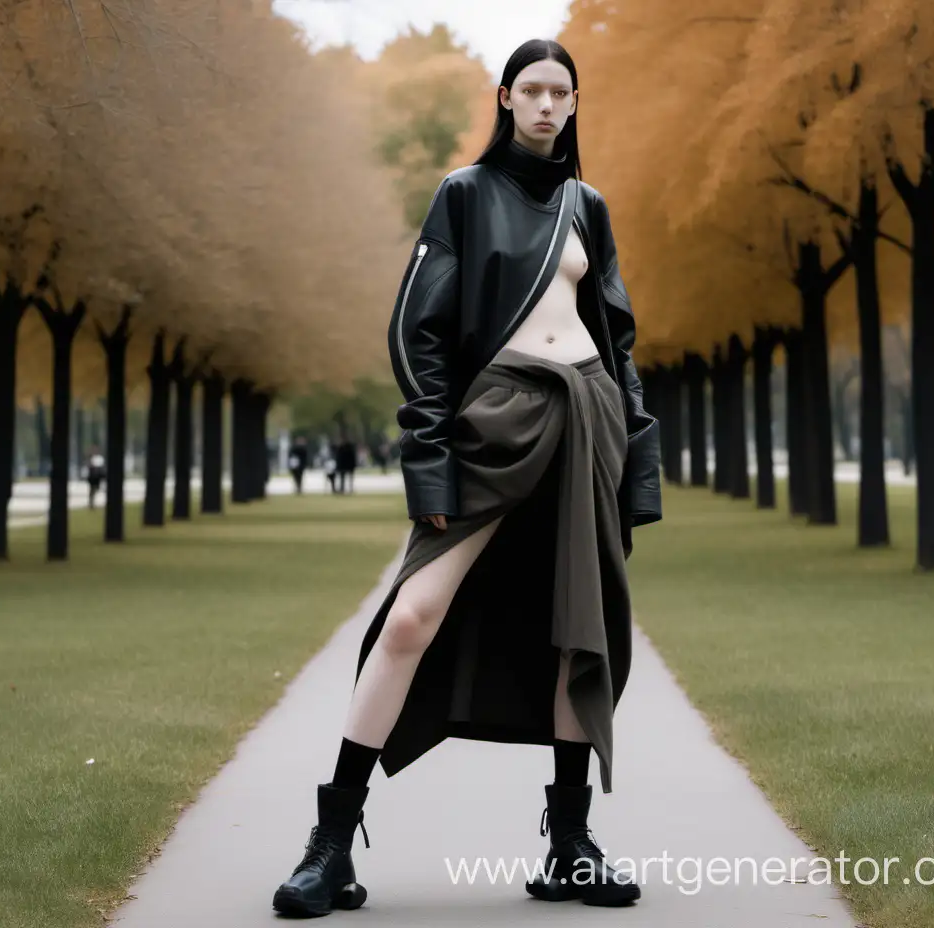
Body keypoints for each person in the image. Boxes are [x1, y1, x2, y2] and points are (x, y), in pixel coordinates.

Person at [271, 39, 662, 917]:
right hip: (496, 426)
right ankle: (329, 848)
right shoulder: (463, 195)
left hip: (588, 419)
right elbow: (420, 338)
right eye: (534, 90)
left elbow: (620, 340)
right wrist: (431, 468)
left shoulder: (586, 207)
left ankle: (570, 847)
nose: (549, 106)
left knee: (579, 633)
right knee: (411, 614)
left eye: (563, 92)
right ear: (506, 98)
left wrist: (638, 464)